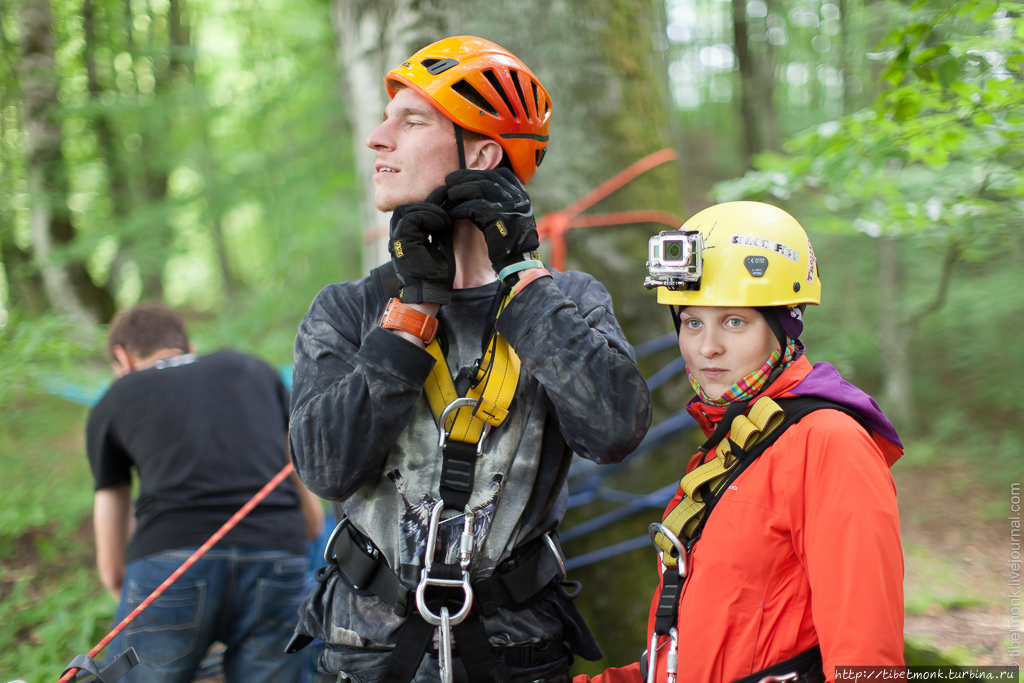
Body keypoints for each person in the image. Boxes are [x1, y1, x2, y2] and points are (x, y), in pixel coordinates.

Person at [287, 36, 652, 683]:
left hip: (518, 652)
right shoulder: (349, 308)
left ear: (484, 153)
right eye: (386, 117)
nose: (378, 138)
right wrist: (410, 316)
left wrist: (520, 276)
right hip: (368, 653)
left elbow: (615, 429)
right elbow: (324, 464)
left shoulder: (567, 300)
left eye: (412, 121)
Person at [574, 202, 905, 683]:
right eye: (692, 322)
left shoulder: (828, 443)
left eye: (734, 321)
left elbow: (866, 658)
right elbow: (696, 655)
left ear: (783, 326)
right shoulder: (735, 444)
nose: (707, 347)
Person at [86, 300, 325, 683]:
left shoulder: (116, 397)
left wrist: (133, 594)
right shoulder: (254, 369)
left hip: (170, 564)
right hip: (278, 553)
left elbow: (112, 555)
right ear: (189, 347)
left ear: (122, 357)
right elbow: (304, 498)